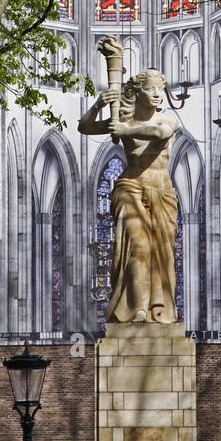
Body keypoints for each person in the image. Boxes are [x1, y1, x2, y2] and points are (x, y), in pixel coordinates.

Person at [79, 67, 179, 323]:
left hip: (161, 192)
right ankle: (139, 309)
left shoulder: (167, 120)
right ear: (137, 92)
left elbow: (160, 134)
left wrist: (125, 131)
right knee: (140, 246)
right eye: (150, 89)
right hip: (130, 186)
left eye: (160, 89)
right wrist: (99, 104)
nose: (157, 94)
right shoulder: (125, 121)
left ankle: (159, 308)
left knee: (161, 254)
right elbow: (85, 127)